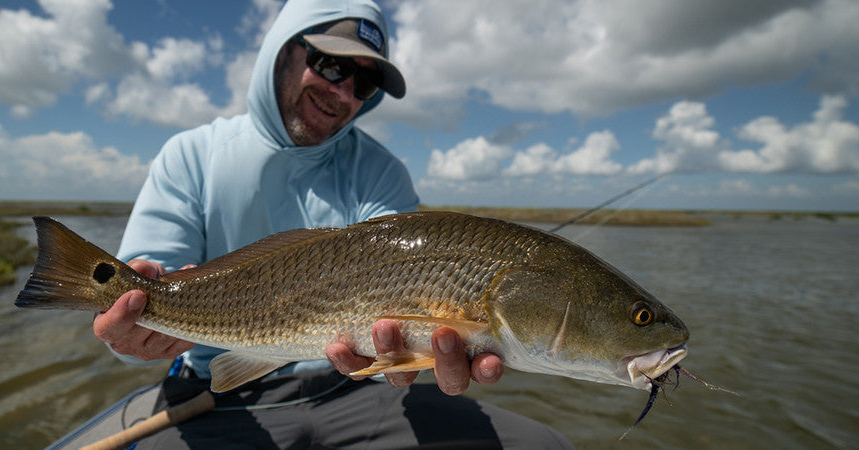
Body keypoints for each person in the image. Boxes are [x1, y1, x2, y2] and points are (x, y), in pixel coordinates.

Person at [94, 0, 573, 447]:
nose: (343, 91)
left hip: (355, 389)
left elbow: (404, 288)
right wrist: (131, 328)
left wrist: (421, 351)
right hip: (217, 396)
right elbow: (129, 318)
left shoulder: (382, 171)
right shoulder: (190, 155)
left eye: (363, 83)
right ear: (282, 51)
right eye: (331, 64)